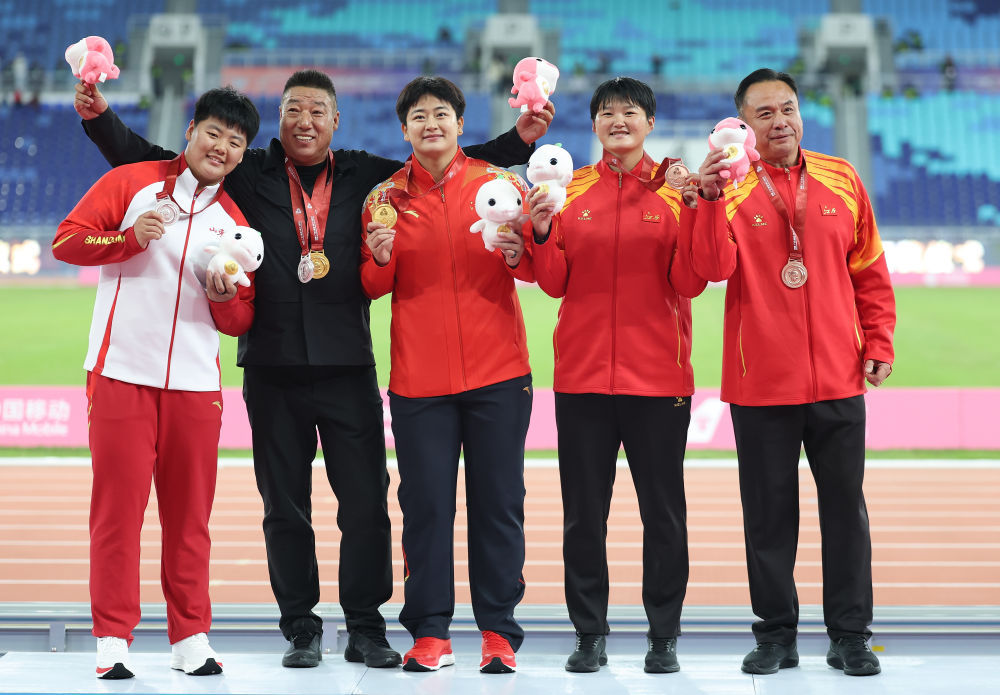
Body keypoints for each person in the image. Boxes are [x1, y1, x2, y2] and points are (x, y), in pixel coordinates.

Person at [74, 69, 553, 669]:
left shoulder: (366, 174)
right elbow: (156, 158)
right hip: (271, 365)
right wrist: (100, 119)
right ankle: (300, 626)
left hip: (347, 364)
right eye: (294, 110)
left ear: (335, 121)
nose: (305, 121)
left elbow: (444, 160)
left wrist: (520, 140)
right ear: (278, 120)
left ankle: (365, 626)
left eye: (318, 111)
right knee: (285, 507)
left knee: (367, 505)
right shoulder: (245, 171)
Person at [692, 68, 895, 677]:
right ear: (742, 126)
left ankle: (851, 635)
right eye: (765, 113)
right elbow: (711, 268)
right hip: (760, 382)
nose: (780, 121)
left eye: (788, 109)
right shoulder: (729, 187)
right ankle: (776, 635)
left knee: (846, 513)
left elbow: (869, 269)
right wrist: (708, 199)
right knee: (768, 517)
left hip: (838, 376)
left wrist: (879, 339)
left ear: (801, 113)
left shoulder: (842, 177)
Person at [53, 86, 261, 680]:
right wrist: (125, 240)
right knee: (117, 514)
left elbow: (241, 318)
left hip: (195, 386)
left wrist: (224, 300)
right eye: (213, 133)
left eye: (235, 142)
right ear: (191, 130)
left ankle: (190, 637)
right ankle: (112, 640)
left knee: (190, 519)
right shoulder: (131, 182)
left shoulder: (235, 223)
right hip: (120, 374)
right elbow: (66, 239)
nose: (221, 148)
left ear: (243, 153)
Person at [526, 76, 705, 674]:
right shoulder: (568, 190)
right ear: (593, 124)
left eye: (630, 112)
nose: (618, 121)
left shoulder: (677, 190)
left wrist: (694, 208)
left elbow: (691, 282)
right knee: (583, 517)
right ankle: (589, 634)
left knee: (664, 515)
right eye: (606, 113)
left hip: (659, 381)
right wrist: (542, 231)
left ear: (650, 122)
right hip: (582, 380)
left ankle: (664, 636)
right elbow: (553, 283)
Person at [360, 76, 535, 674]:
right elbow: (371, 285)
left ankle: (498, 631)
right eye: (418, 116)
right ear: (404, 129)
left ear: (461, 123)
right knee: (426, 508)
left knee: (499, 504)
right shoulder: (384, 198)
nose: (430, 124)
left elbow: (535, 265)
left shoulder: (502, 184)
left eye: (441, 114)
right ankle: (430, 632)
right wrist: (380, 258)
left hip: (499, 373)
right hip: (419, 381)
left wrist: (521, 255)